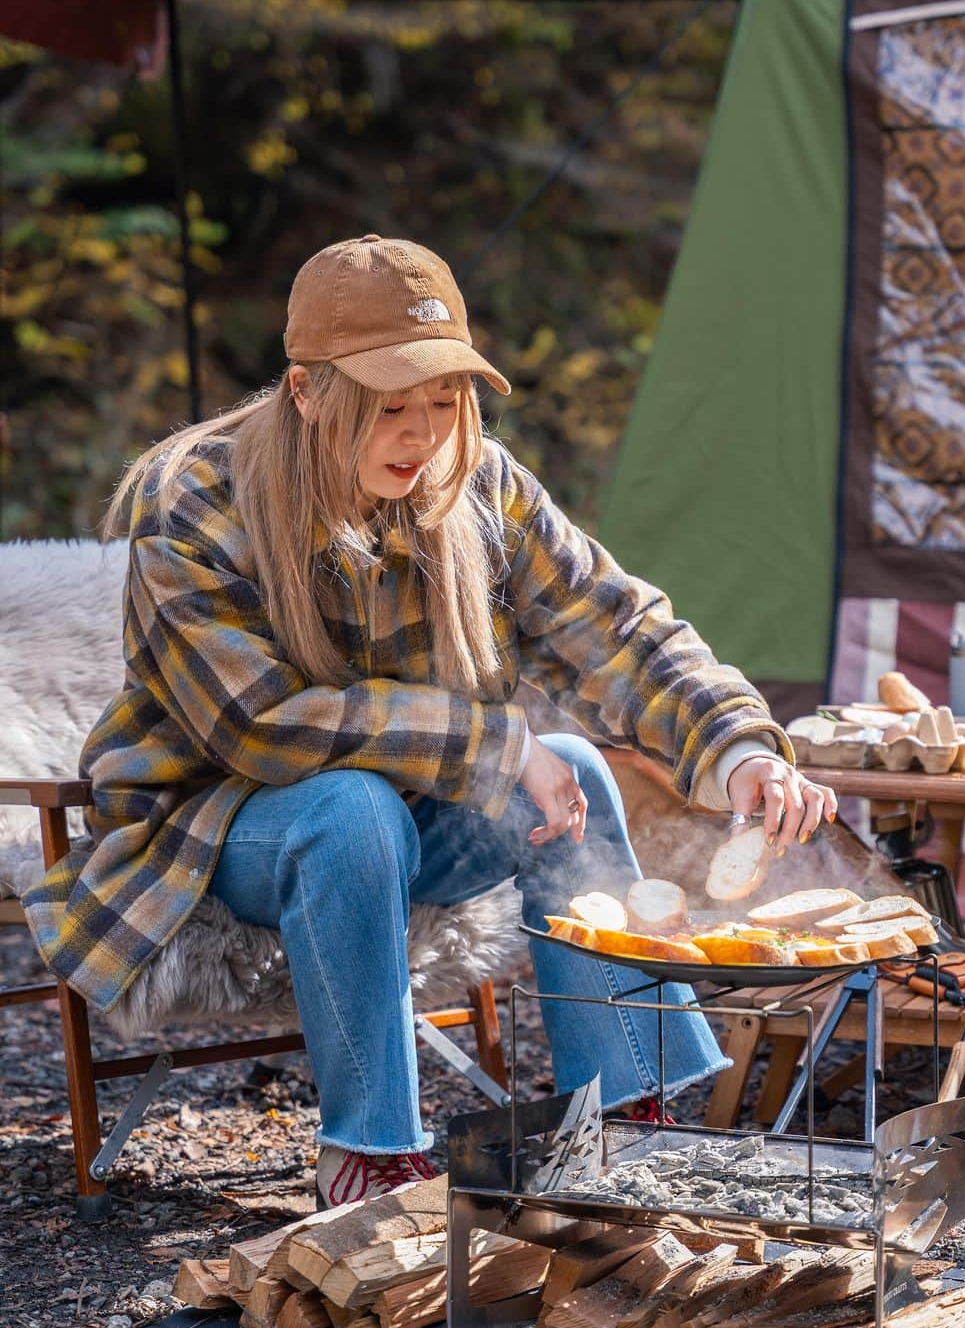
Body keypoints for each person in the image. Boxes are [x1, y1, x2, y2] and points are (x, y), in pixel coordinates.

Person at [24, 235, 837, 1209]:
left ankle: (636, 1120)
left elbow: (614, 628)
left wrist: (739, 745)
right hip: (215, 836)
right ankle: (373, 1153)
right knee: (350, 806)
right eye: (391, 405)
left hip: (413, 821)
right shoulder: (200, 497)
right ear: (307, 390)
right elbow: (259, 724)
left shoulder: (474, 483)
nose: (421, 432)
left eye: (444, 401)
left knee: (574, 761)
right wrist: (494, 746)